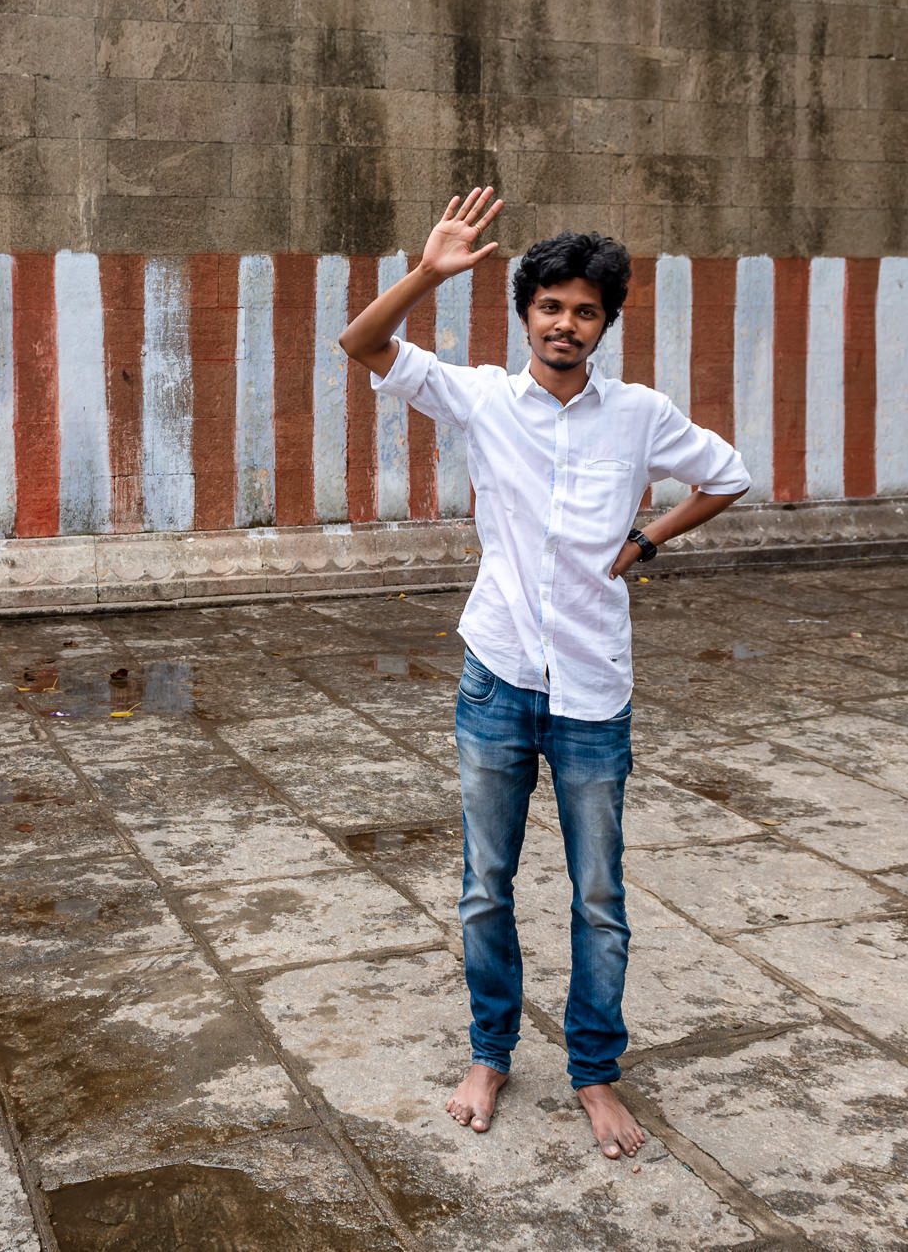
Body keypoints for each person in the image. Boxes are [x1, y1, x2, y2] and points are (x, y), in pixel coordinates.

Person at [338, 189, 750, 1161]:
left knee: (596, 895)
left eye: (585, 310)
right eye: (550, 306)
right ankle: (489, 1051)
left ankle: (594, 1072)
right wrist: (427, 273)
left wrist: (647, 537)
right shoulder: (479, 394)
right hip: (497, 676)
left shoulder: (639, 414)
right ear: (525, 313)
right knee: (484, 884)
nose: (565, 324)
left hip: (593, 693)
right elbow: (360, 346)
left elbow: (728, 474)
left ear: (604, 323)